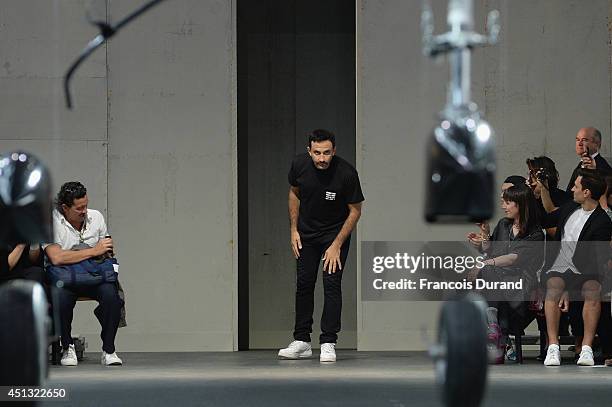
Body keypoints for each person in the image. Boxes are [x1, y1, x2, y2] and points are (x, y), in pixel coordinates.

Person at [278, 129, 364, 363]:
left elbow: (355, 210)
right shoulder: (299, 165)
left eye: (327, 153)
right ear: (309, 151)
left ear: (334, 151)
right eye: (317, 153)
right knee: (304, 284)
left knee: (331, 284)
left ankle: (328, 342)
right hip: (306, 234)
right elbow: (294, 193)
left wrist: (337, 244)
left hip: (334, 236)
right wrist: (293, 229)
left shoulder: (346, 173)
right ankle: (302, 341)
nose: (322, 158)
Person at [44, 182, 124, 367]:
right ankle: (67, 346)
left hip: (94, 275)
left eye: (86, 205)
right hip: (66, 278)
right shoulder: (50, 222)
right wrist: (93, 251)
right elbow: (56, 257)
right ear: (65, 208)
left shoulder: (96, 217)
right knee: (60, 296)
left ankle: (109, 349)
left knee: (112, 296)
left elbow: (108, 248)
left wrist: (103, 250)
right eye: (79, 208)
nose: (84, 211)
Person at [468, 184, 544, 363]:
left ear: (521, 204)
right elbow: (491, 251)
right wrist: (485, 235)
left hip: (520, 283)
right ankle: (496, 330)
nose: (503, 206)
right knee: (471, 280)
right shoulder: (503, 224)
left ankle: (493, 329)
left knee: (484, 274)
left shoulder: (535, 233)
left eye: (508, 202)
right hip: (497, 280)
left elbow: (512, 259)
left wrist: (483, 264)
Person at [543, 169, 612, 366]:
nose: (572, 189)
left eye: (576, 186)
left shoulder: (602, 222)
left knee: (592, 289)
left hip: (588, 270)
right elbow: (545, 218)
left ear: (587, 192)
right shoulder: (568, 208)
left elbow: (595, 262)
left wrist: (570, 286)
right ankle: (553, 347)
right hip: (559, 267)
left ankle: (587, 349)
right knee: (555, 285)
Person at [565, 127, 611, 193]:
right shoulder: (582, 162)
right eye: (577, 140)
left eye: (584, 140)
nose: (579, 144)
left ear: (597, 144)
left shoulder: (601, 165)